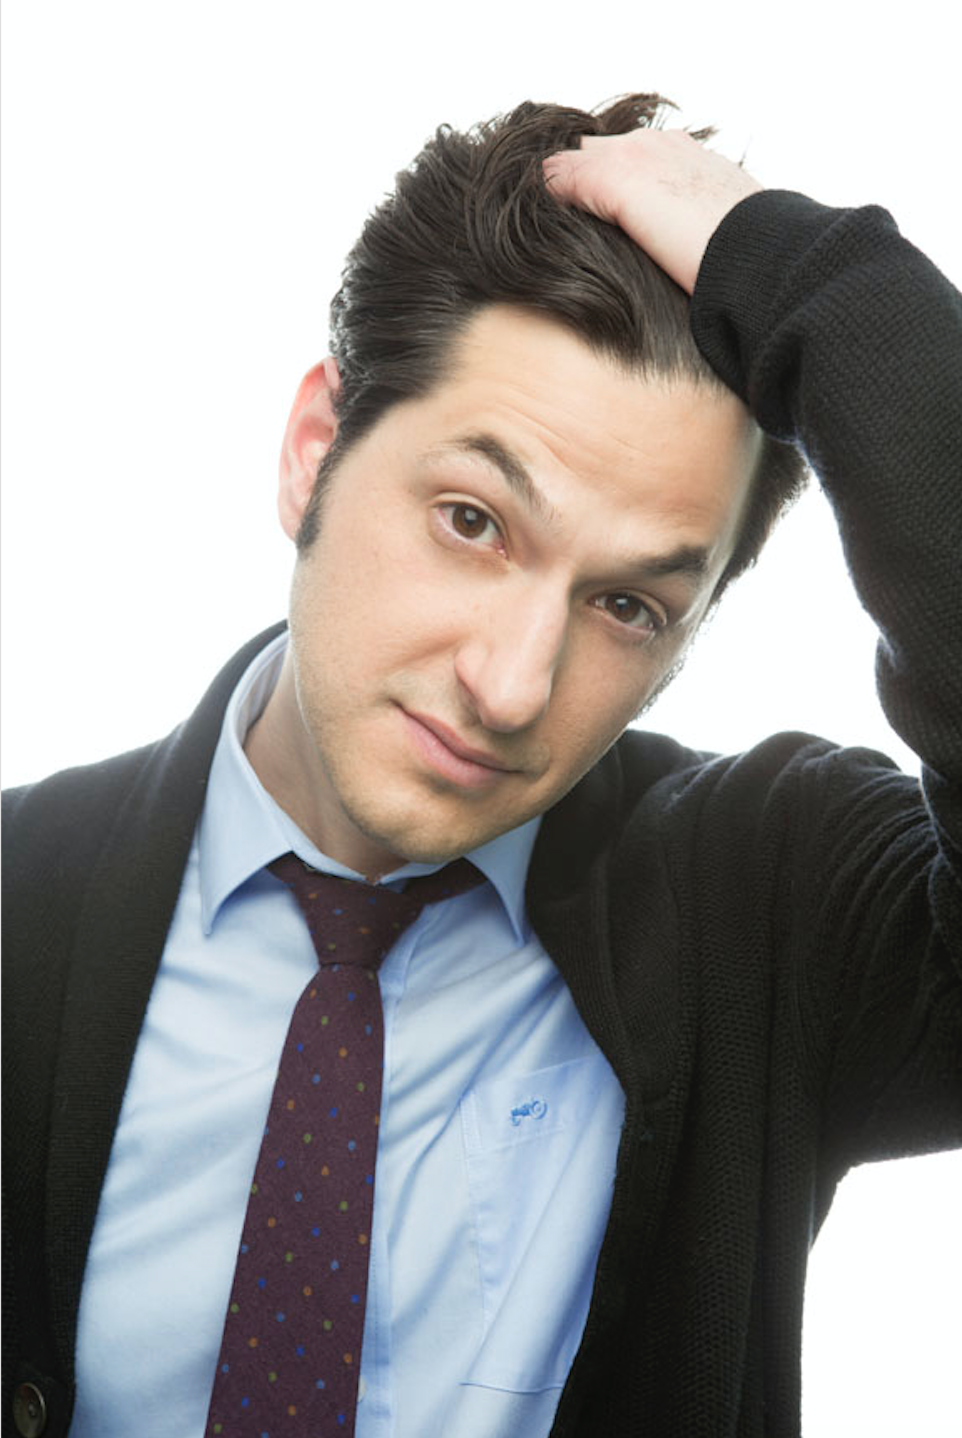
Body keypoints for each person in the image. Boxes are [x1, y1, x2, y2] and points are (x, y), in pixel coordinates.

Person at [3, 93, 960, 1438]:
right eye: (472, 520)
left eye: (626, 605)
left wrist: (824, 286)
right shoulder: (17, 902)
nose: (510, 686)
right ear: (314, 454)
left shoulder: (776, 908)